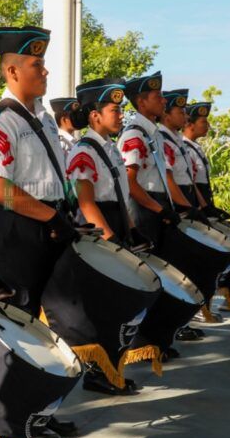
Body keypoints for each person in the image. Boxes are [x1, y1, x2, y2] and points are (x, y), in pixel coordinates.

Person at [0, 25, 77, 438]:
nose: (46, 71)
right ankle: (9, 420)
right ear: (12, 71)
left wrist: (63, 214)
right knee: (17, 330)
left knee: (41, 329)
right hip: (19, 231)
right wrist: (51, 217)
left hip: (48, 223)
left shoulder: (44, 120)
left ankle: (36, 412)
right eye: (37, 65)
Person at [64, 78, 144, 395]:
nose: (121, 114)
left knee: (118, 306)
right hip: (99, 230)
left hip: (115, 222)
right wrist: (112, 242)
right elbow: (86, 201)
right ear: (95, 115)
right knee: (103, 306)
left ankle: (113, 370)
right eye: (114, 109)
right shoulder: (85, 151)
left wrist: (131, 230)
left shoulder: (109, 148)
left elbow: (120, 197)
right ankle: (99, 374)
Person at [118, 72, 193, 245]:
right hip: (144, 209)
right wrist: (159, 210)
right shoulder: (134, 135)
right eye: (158, 96)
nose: (164, 100)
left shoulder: (154, 134)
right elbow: (129, 182)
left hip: (158, 205)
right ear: (141, 102)